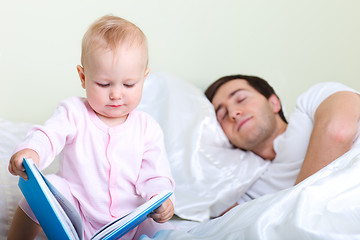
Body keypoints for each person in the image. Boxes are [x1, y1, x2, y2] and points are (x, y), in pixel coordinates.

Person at [8, 15, 175, 240]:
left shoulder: (147, 128)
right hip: (76, 214)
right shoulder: (74, 112)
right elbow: (50, 135)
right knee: (42, 192)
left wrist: (161, 199)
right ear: (83, 76)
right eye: (104, 84)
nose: (116, 94)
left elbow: (155, 173)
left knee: (160, 230)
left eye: (129, 84)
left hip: (128, 222)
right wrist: (32, 151)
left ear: (144, 77)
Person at [205, 74, 360, 215]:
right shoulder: (249, 187)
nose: (233, 113)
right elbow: (223, 219)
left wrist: (295, 207)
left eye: (241, 99)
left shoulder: (310, 103)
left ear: (274, 103)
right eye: (222, 115)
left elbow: (339, 132)